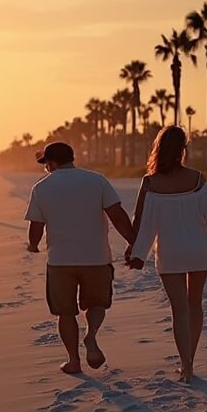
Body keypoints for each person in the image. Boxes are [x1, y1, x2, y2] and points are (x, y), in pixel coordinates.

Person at [125, 126, 207, 383]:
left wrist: (135, 250)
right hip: (198, 249)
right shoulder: (197, 179)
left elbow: (140, 221)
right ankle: (190, 361)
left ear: (158, 148)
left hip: (170, 252)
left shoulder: (150, 182)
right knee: (195, 304)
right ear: (183, 149)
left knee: (179, 309)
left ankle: (186, 366)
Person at [25, 141, 135, 375]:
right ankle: (91, 336)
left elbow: (36, 226)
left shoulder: (41, 187)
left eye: (46, 164)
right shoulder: (96, 180)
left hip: (60, 261)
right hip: (96, 257)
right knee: (97, 303)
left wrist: (33, 245)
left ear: (51, 163)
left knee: (65, 312)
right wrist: (133, 241)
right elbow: (117, 215)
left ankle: (73, 361)